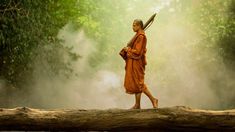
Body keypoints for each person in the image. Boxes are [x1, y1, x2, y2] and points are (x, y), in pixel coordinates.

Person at [120, 19, 158, 109]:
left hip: (138, 61)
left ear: (139, 26)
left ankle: (153, 99)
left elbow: (137, 52)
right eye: (132, 25)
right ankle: (137, 105)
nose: (132, 27)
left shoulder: (141, 36)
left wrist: (127, 50)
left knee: (139, 83)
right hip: (134, 61)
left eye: (134, 25)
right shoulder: (137, 35)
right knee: (136, 83)